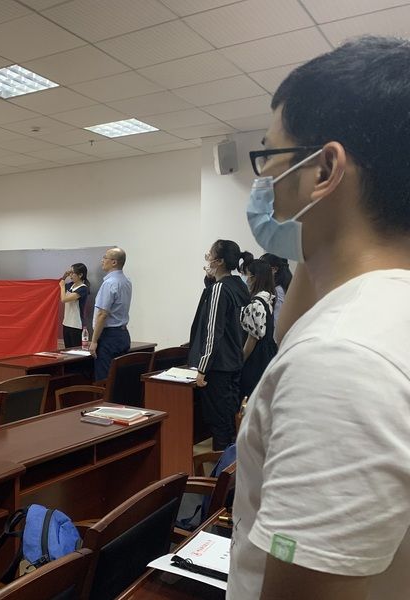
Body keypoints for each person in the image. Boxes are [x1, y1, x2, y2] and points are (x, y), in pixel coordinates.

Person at [230, 36, 410, 600]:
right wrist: (318, 246)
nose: (265, 179)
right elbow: (291, 331)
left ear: (324, 169)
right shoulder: (382, 314)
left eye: (270, 156)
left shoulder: (340, 359)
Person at [187, 239, 249, 450]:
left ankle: (221, 467)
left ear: (220, 261)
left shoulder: (220, 289)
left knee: (219, 423)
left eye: (210, 255)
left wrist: (202, 368)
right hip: (234, 361)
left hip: (218, 366)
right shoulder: (239, 285)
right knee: (229, 419)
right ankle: (230, 464)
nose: (208, 258)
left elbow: (213, 332)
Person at [89, 247, 131, 381]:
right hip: (122, 334)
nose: (102, 260)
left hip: (109, 337)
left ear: (114, 262)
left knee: (105, 379)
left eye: (105, 258)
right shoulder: (126, 281)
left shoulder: (109, 283)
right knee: (119, 379)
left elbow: (102, 314)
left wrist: (94, 341)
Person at [239, 259, 278, 400]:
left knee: (249, 396)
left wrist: (241, 360)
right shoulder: (268, 299)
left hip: (256, 358)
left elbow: (252, 338)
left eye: (247, 274)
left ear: (255, 277)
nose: (246, 278)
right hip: (268, 353)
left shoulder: (256, 304)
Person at [58, 262, 90, 348]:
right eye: (70, 272)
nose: (70, 275)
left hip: (76, 325)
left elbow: (64, 299)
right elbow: (59, 284)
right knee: (67, 350)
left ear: (80, 275)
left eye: (73, 273)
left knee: (76, 351)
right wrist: (64, 277)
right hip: (66, 323)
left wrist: (62, 286)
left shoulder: (83, 288)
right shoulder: (70, 285)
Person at [260, 252, 292, 328]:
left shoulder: (278, 290)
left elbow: (277, 319)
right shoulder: (286, 285)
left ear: (274, 269)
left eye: (263, 269)